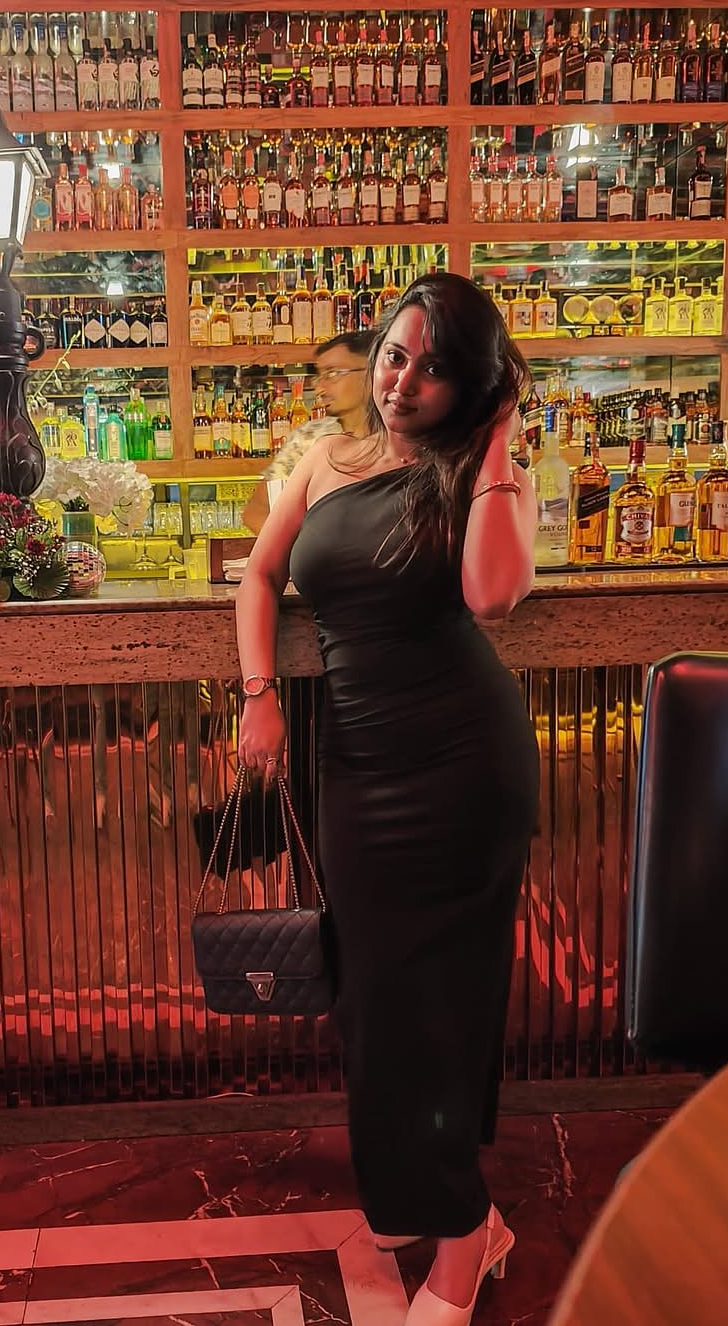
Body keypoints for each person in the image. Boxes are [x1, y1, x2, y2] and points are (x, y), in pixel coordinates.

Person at [235, 272, 540, 1326]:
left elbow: (492, 596)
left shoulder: (484, 477)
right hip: (358, 771)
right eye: (395, 355)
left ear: (473, 387)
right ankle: (432, 1201)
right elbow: (259, 575)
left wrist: (498, 443)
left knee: (444, 1010)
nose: (402, 380)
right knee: (374, 1007)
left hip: (464, 769)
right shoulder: (327, 457)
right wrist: (259, 696)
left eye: (434, 367)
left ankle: (464, 1244)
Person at [241, 330, 374, 534]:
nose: (320, 389)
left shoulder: (406, 438)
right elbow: (256, 512)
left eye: (333, 374)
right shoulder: (309, 438)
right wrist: (305, 547)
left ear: (373, 371)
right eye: (319, 376)